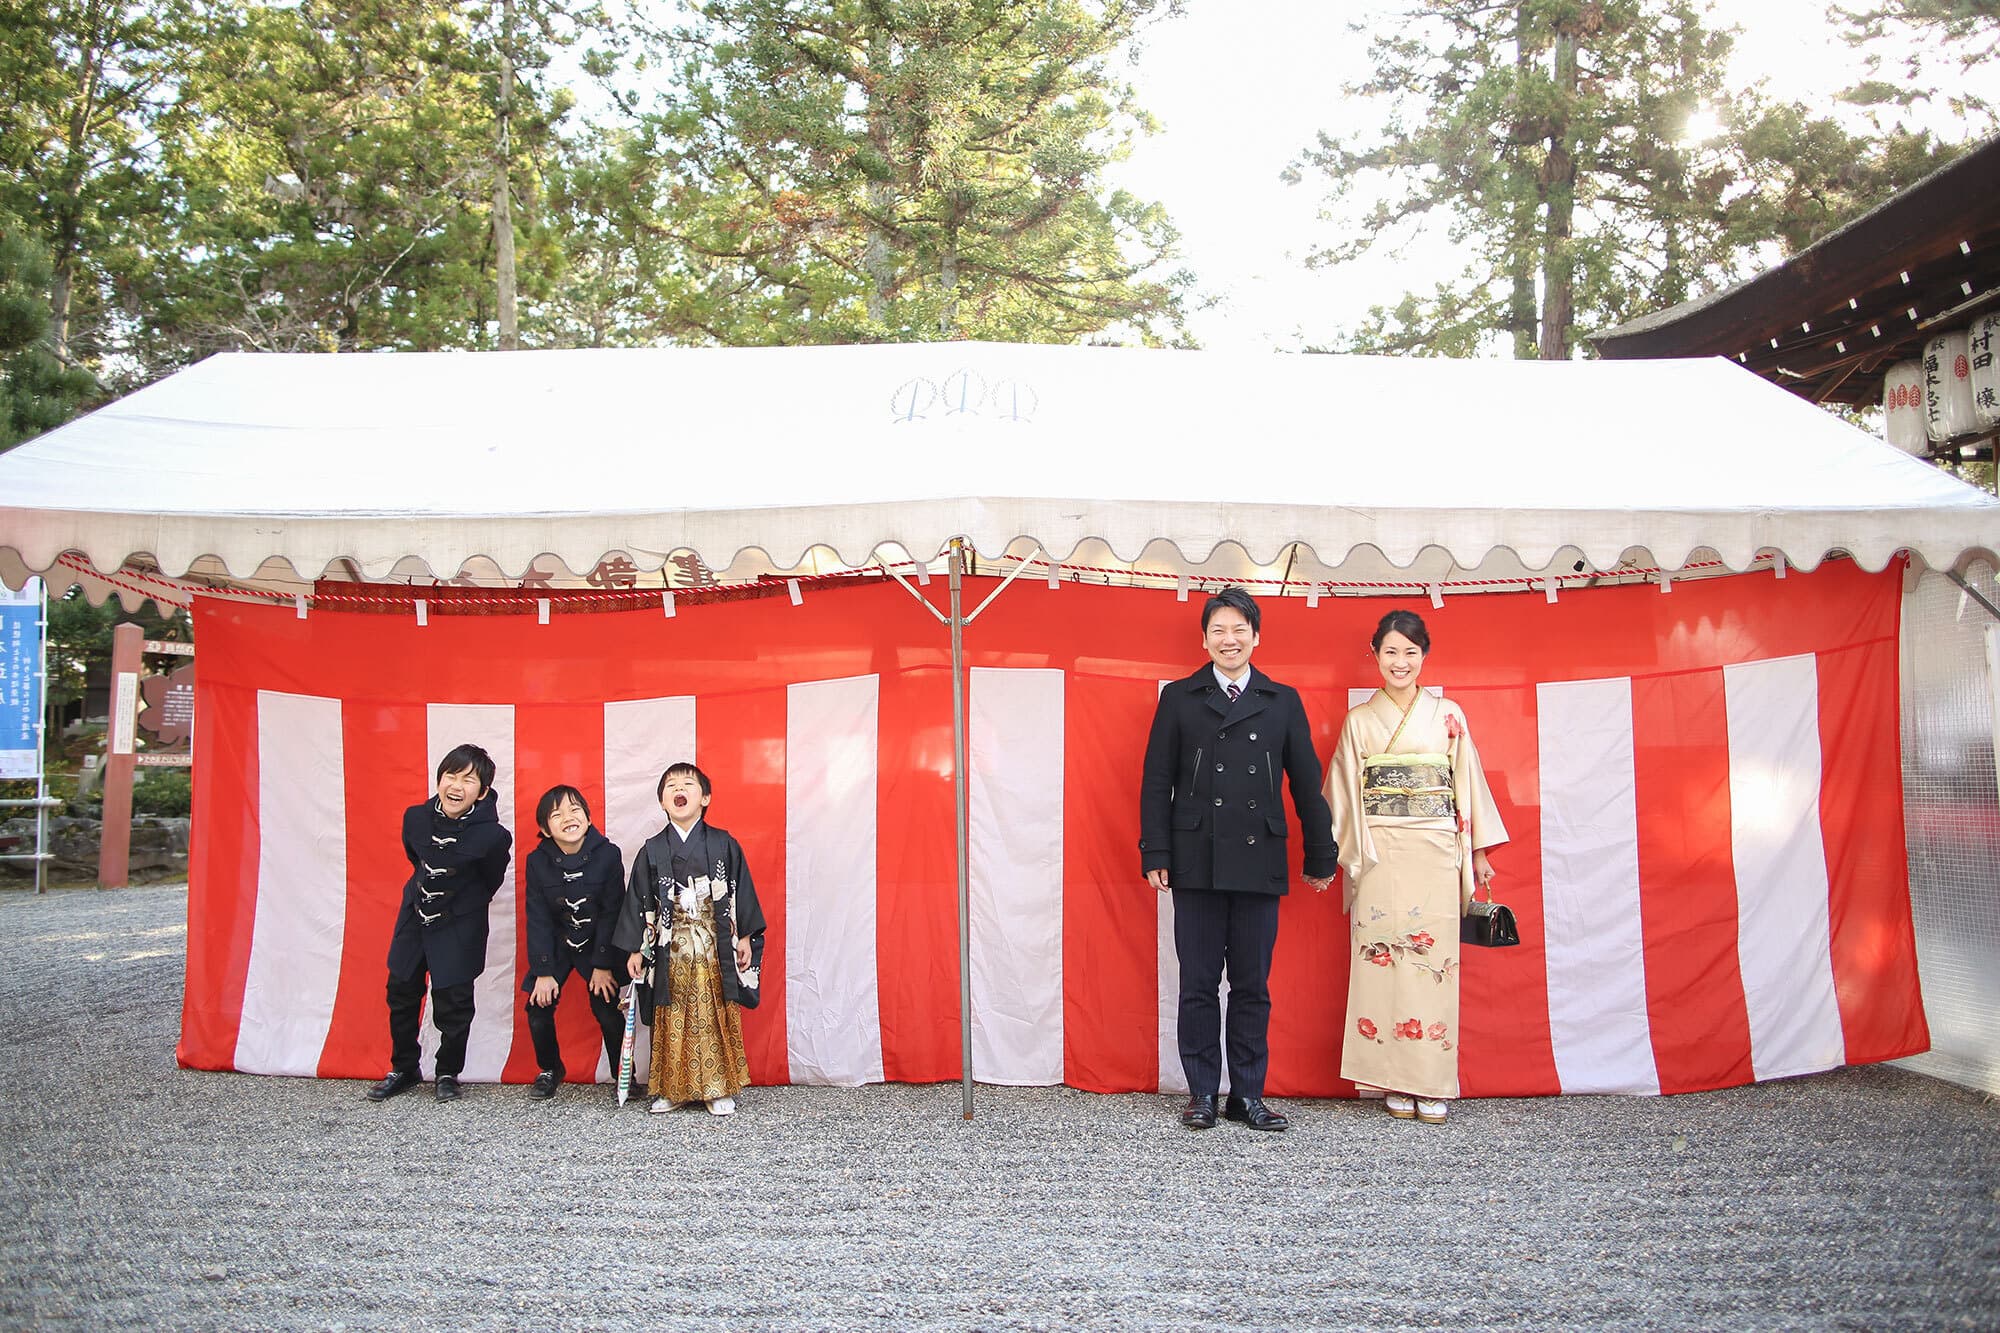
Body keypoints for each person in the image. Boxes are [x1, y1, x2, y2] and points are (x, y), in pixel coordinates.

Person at [1140, 586, 1339, 1132]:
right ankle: (1203, 1091)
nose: (1230, 640)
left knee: (1253, 984)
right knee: (1199, 982)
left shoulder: (1282, 700)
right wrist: (1155, 849)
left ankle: (1247, 1094)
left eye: (1239, 630)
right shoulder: (1179, 698)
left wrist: (1322, 854)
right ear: (1204, 640)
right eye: (1219, 631)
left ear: (1256, 636)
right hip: (1196, 858)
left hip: (1259, 858)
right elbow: (1157, 781)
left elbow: (1306, 785)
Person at [1324, 609, 1507, 1125]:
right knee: (1381, 962)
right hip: (1379, 852)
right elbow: (1342, 794)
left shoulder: (1449, 714)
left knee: (1434, 966)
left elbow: (1465, 787)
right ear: (1375, 655)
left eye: (1410, 652)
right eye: (1390, 651)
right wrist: (1343, 853)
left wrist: (1478, 852)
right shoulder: (1359, 721)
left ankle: (1429, 1080)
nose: (1400, 662)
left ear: (1424, 656)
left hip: (1434, 852)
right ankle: (1388, 1079)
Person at [613, 762, 765, 1116]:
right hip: (671, 946)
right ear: (663, 803)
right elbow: (638, 899)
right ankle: (671, 1087)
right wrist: (636, 948)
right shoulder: (652, 849)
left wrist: (745, 935)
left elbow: (742, 891)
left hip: (714, 945)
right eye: (670, 786)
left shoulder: (723, 843)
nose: (678, 788)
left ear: (705, 798)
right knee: (670, 1013)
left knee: (713, 1012)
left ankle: (718, 1086)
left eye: (687, 784)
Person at [367, 743, 513, 1104]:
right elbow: (415, 858)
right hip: (414, 917)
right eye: (451, 775)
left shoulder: (493, 836)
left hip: (460, 922)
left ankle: (448, 1071)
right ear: (439, 779)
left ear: (482, 792)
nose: (457, 786)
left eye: (468, 780)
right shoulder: (414, 818)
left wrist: (456, 901)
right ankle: (403, 1067)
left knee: (453, 1002)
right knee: (400, 992)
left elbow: (488, 880)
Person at [520, 784, 626, 1102]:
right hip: (557, 943)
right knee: (537, 1007)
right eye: (557, 814)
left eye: (575, 810)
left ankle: (624, 1073)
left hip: (598, 942)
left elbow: (613, 912)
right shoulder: (537, 861)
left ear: (589, 818)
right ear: (545, 828)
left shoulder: (608, 854)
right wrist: (543, 970)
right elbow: (537, 916)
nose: (569, 817)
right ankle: (550, 1069)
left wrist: (603, 964)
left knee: (606, 1007)